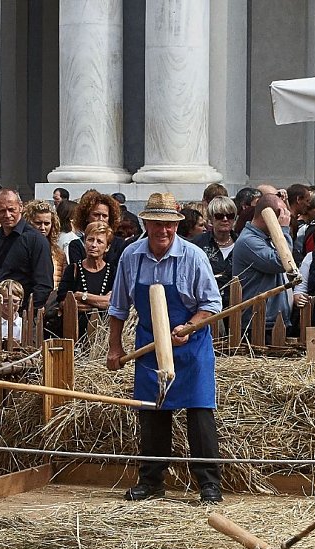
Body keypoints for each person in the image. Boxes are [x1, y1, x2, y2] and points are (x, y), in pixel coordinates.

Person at [106, 192, 223, 504]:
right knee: (152, 413)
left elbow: (211, 305)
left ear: (177, 225)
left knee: (199, 413)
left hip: (191, 344)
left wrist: (190, 326)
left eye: (169, 224)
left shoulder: (193, 256)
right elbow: (118, 309)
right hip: (150, 343)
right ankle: (152, 481)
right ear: (145, 222)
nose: (163, 230)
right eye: (157, 223)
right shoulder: (131, 257)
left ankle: (209, 484)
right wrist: (115, 349)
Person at [233, 191, 293, 340]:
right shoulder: (248, 241)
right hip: (258, 323)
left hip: (273, 319)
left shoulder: (266, 238)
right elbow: (281, 262)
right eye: (281, 214)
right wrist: (283, 230)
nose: (284, 218)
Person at [0, 188, 53, 310]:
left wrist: (26, 314)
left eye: (11, 209)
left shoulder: (36, 240)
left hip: (23, 314)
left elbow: (44, 284)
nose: (7, 215)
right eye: (2, 211)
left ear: (20, 207)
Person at [54, 220, 116, 337]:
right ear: (84, 242)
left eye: (99, 241)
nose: (94, 245)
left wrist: (82, 296)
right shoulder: (73, 269)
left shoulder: (113, 271)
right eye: (90, 240)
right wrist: (99, 303)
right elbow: (65, 303)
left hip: (104, 335)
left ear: (107, 247)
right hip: (74, 333)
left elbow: (112, 303)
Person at [192, 195, 237, 296]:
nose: (225, 219)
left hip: (236, 304)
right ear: (211, 218)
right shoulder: (198, 244)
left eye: (230, 216)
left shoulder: (242, 244)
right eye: (219, 216)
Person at [24, 199, 67, 287]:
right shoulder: (22, 249)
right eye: (38, 223)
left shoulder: (59, 253)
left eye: (47, 223)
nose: (42, 227)